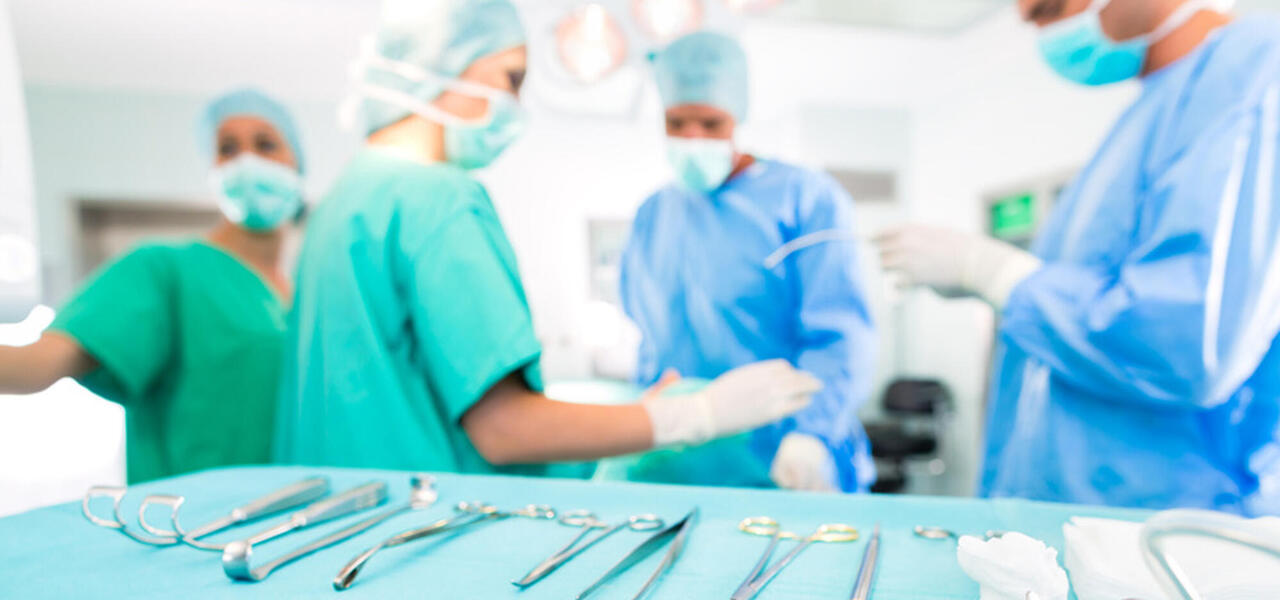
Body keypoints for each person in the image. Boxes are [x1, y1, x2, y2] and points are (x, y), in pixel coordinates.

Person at [273, 0, 821, 475]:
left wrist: (632, 420)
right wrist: (695, 416)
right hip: (415, 536)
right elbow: (505, 430)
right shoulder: (437, 200)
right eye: (511, 78)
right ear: (444, 60)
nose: (516, 105)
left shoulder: (342, 202)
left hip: (341, 531)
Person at [878, 0, 1280, 515]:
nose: (1027, 22)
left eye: (1049, 7)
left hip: (1174, 534)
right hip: (1079, 519)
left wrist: (999, 276)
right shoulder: (1151, 110)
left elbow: (1189, 347)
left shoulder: (1252, 74)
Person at [0, 89, 306, 483]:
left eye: (266, 144)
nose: (246, 160)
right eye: (227, 148)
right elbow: (39, 363)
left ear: (298, 160)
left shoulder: (300, 295)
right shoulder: (163, 269)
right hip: (189, 527)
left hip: (294, 519)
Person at [619, 32, 877, 493]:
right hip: (681, 459)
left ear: (736, 117)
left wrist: (811, 436)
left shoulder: (805, 198)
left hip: (783, 454)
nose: (692, 137)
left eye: (710, 123)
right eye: (677, 122)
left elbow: (840, 335)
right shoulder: (652, 214)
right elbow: (650, 338)